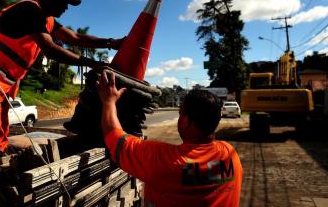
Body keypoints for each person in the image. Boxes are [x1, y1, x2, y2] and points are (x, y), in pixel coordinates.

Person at [0, 0, 124, 201]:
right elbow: (51, 49)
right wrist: (92, 64)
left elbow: (74, 37)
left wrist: (110, 43)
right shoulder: (30, 10)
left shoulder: (47, 20)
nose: (65, 8)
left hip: (0, 81)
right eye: (63, 2)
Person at [96, 71, 243, 207]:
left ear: (186, 121)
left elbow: (115, 138)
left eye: (180, 113)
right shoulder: (230, 156)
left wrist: (108, 102)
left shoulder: (162, 160)